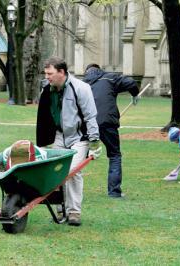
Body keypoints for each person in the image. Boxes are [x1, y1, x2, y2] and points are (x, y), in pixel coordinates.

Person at [36, 57, 101, 226]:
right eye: (46, 73)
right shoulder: (47, 89)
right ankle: (61, 210)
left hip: (79, 137)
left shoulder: (81, 88)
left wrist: (94, 142)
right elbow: (43, 116)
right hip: (59, 136)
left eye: (50, 73)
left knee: (72, 171)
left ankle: (74, 212)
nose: (47, 77)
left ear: (61, 72)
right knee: (56, 172)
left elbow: (90, 116)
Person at [84, 63, 139, 198]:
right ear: (100, 70)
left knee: (78, 156)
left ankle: (69, 191)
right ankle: (114, 192)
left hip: (85, 123)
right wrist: (135, 95)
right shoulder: (109, 78)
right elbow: (131, 82)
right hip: (107, 122)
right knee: (114, 155)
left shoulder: (82, 83)